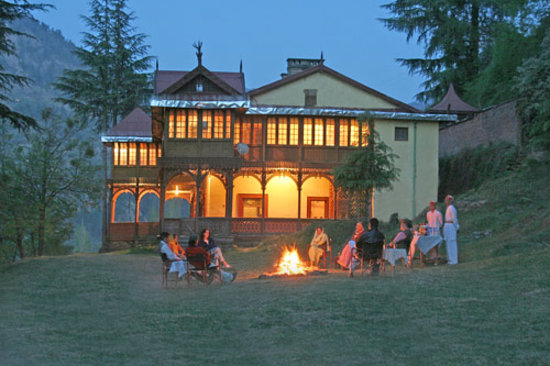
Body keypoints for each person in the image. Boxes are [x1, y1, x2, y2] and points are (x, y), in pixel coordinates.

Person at [444, 195, 459, 265]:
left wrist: (457, 227)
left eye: (447, 200)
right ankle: (450, 259)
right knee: (448, 243)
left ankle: (454, 260)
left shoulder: (452, 208)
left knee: (452, 243)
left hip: (451, 226)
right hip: (447, 226)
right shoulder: (448, 208)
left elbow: (454, 219)